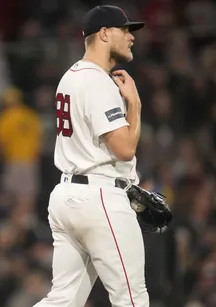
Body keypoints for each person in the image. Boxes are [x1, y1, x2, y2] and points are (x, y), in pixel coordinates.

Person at [34, 5, 149, 307]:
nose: (130, 37)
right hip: (99, 198)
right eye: (124, 30)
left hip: (67, 195)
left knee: (62, 300)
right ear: (104, 33)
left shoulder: (70, 76)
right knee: (132, 300)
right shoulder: (98, 81)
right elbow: (125, 149)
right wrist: (134, 105)